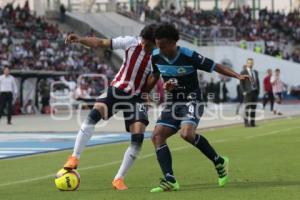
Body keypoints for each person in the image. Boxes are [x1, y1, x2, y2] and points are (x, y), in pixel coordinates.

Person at [145, 23, 250, 192]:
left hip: (192, 100)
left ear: (173, 43)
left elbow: (216, 66)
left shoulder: (189, 55)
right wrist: (145, 92)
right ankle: (170, 180)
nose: (159, 49)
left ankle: (218, 161)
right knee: (157, 137)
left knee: (186, 134)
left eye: (162, 46)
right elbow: (155, 75)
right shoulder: (155, 56)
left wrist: (237, 75)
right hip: (173, 102)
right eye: (157, 45)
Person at [62, 24, 157, 190]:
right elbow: (99, 42)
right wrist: (80, 39)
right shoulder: (130, 42)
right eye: (145, 43)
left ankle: (118, 179)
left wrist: (146, 92)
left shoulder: (157, 56)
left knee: (138, 138)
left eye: (149, 45)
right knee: (93, 116)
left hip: (136, 98)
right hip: (117, 90)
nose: (145, 46)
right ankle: (74, 157)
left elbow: (153, 77)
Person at [240, 58, 260, 127]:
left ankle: (252, 123)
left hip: (255, 92)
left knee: (253, 109)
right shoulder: (243, 72)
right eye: (249, 63)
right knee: (247, 108)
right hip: (248, 93)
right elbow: (241, 83)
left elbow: (258, 82)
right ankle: (246, 123)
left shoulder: (255, 72)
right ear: (247, 63)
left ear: (253, 63)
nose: (250, 64)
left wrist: (258, 91)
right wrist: (243, 91)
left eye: (251, 63)